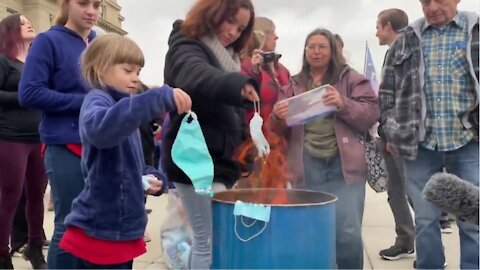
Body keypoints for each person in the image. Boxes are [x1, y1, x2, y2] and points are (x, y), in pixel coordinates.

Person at [57, 33, 191, 269]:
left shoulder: (124, 109)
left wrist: (152, 176)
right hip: (101, 226)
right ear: (100, 68)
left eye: (138, 72)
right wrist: (155, 98)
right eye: (128, 70)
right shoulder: (97, 101)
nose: (135, 78)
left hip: (123, 224)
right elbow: (101, 130)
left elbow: (131, 165)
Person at [379, 0, 479, 268]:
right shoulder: (406, 40)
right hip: (420, 145)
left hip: (468, 141)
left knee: (471, 218)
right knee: (425, 218)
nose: (432, 7)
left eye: (440, 0)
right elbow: (386, 94)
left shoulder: (476, 32)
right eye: (425, 1)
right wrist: (391, 130)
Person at [270, 28, 379, 269]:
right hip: (306, 167)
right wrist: (277, 117)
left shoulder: (351, 79)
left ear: (332, 51)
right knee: (309, 232)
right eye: (311, 47)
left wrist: (342, 103)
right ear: (305, 51)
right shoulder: (293, 84)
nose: (316, 51)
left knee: (347, 233)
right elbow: (275, 130)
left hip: (345, 168)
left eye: (322, 46)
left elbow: (371, 114)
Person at [162, 0, 259, 268]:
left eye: (240, 29)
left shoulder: (231, 60)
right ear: (212, 13)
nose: (233, 32)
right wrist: (236, 86)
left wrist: (246, 157)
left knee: (212, 239)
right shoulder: (185, 41)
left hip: (221, 163)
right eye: (230, 21)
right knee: (207, 241)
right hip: (195, 161)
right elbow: (195, 74)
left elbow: (235, 119)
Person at [18, 0, 101, 268]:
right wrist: (84, 101)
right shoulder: (47, 41)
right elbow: (29, 93)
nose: (91, 10)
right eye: (83, 3)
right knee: (70, 222)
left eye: (97, 4)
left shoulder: (99, 43)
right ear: (65, 4)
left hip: (101, 143)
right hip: (63, 143)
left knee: (96, 221)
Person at [0, 13, 48, 269]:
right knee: (9, 196)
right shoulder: (3, 61)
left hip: (39, 137)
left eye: (29, 20)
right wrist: (25, 96)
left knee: (36, 196)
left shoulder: (35, 64)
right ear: (10, 31)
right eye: (22, 22)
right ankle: (2, 254)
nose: (29, 23)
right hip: (10, 137)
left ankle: (35, 247)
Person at [374, 8, 416, 261]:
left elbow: (406, 96)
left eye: (378, 27)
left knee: (413, 192)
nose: (376, 32)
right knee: (396, 191)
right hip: (391, 132)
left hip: (402, 135)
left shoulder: (408, 50)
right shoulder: (393, 52)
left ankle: (433, 249)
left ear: (388, 26)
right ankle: (405, 240)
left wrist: (393, 135)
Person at [241, 16, 291, 123]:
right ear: (260, 35)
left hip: (282, 135)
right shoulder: (244, 68)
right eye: (271, 32)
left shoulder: (282, 70)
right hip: (255, 135)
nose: (276, 37)